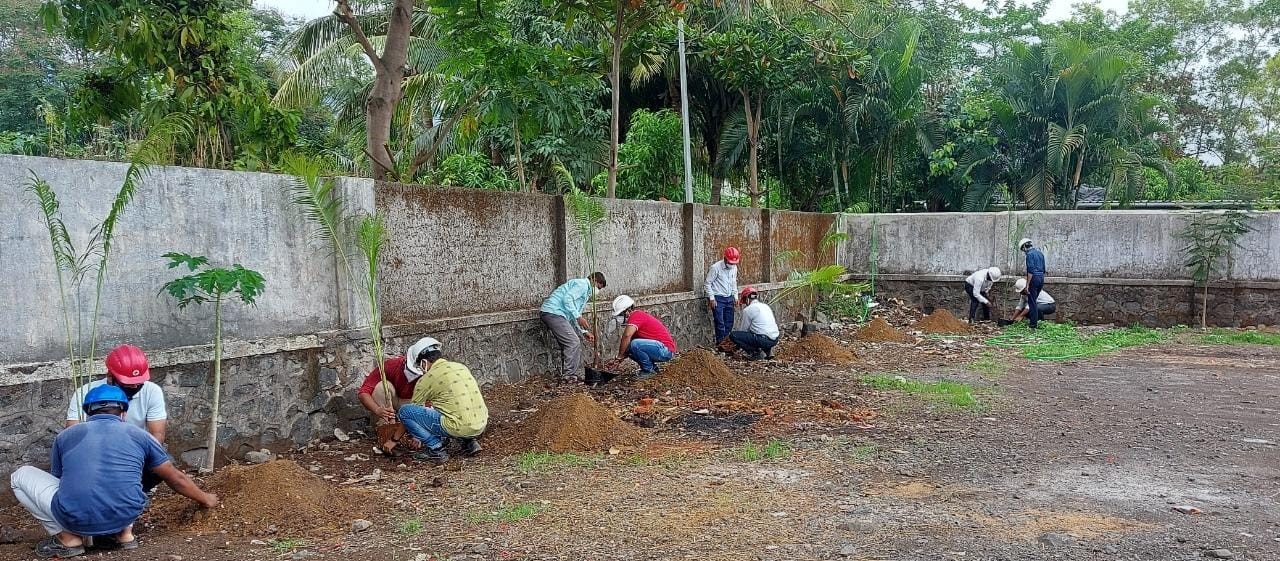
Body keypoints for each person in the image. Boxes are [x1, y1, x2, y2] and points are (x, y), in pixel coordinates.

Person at [11, 385, 218, 559]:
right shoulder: (141, 435)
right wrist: (206, 499)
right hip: (125, 514)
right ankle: (124, 535)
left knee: (19, 476)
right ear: (123, 413)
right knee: (139, 471)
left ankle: (69, 537)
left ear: (88, 413)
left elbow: (60, 480)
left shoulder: (66, 436)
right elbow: (176, 478)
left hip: (75, 515)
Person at [65, 345, 167, 492]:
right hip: (95, 455)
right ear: (110, 376)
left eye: (139, 382)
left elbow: (157, 435)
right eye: (128, 384)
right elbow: (72, 435)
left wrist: (132, 460)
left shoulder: (152, 391)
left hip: (134, 452)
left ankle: (134, 490)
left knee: (161, 461)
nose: (135, 386)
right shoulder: (85, 393)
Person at [395, 338, 489, 465]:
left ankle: (436, 449)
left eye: (419, 367)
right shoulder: (461, 367)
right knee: (451, 407)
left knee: (405, 411)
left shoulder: (426, 379)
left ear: (424, 362)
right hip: (480, 423)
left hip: (458, 426)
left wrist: (394, 440)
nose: (420, 370)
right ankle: (469, 442)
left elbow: (412, 413)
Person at [357, 337, 439, 451]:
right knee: (381, 387)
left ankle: (407, 430)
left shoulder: (431, 376)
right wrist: (377, 410)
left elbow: (428, 406)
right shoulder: (392, 365)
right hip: (394, 400)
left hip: (413, 404)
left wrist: (419, 435)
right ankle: (385, 425)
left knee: (417, 411)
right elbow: (364, 392)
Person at [539, 272, 607, 383]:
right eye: (598, 287)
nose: (598, 290)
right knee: (573, 342)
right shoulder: (582, 285)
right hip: (553, 312)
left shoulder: (585, 292)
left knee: (569, 343)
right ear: (594, 280)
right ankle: (569, 376)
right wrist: (579, 317)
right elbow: (567, 299)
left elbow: (574, 313)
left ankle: (569, 375)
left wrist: (583, 331)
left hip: (556, 313)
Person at [607, 295, 677, 380]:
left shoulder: (636, 315)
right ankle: (652, 368)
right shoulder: (635, 319)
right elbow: (627, 346)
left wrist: (619, 357)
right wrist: (617, 361)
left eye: (620, 314)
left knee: (635, 344)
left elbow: (627, 336)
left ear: (628, 310)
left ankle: (648, 371)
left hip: (665, 350)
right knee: (629, 347)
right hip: (660, 349)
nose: (619, 317)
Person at [729, 286, 779, 360]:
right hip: (775, 339)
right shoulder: (765, 306)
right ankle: (768, 350)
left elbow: (744, 330)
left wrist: (737, 345)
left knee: (734, 335)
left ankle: (756, 353)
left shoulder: (748, 310)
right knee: (758, 333)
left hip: (763, 340)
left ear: (747, 299)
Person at [705, 247, 740, 348]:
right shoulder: (715, 268)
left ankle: (726, 342)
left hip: (729, 297)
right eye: (730, 262)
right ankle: (720, 343)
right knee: (719, 322)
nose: (732, 265)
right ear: (725, 259)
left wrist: (735, 296)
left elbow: (733, 282)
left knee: (729, 321)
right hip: (718, 298)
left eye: (734, 263)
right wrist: (712, 298)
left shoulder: (734, 268)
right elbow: (707, 283)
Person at [1020, 238, 1047, 329]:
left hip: (1034, 278)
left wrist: (1027, 285)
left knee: (1032, 302)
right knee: (1034, 301)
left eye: (1023, 249)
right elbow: (1044, 269)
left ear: (1024, 247)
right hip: (1041, 278)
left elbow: (1030, 271)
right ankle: (1037, 321)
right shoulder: (1040, 253)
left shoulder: (1029, 255)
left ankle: (1033, 325)